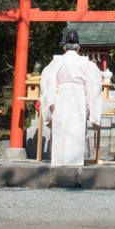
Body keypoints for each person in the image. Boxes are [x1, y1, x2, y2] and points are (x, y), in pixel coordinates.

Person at [39, 29, 103, 166]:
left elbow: (48, 86)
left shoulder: (55, 63)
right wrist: (94, 115)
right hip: (78, 98)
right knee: (77, 130)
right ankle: (76, 164)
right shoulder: (87, 64)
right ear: (79, 48)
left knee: (61, 130)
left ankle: (59, 164)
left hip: (61, 97)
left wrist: (48, 109)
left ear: (64, 47)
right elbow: (94, 87)